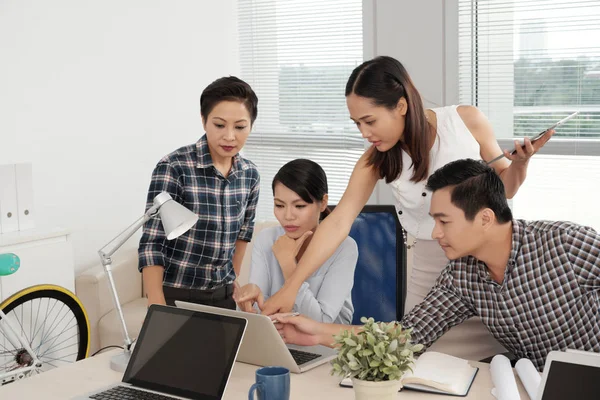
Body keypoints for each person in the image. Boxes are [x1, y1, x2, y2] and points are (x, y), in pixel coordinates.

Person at [249, 55, 553, 358]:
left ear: (401, 106)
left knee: (500, 364)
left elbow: (505, 188)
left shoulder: (465, 121)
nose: (364, 133)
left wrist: (521, 165)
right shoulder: (376, 159)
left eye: (370, 121)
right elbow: (339, 222)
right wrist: (292, 285)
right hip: (432, 272)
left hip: (489, 273)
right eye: (357, 124)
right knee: (414, 360)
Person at [273, 158, 600, 372]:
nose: (436, 233)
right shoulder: (462, 275)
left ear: (485, 218)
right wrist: (316, 333)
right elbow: (405, 338)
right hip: (533, 382)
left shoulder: (565, 243)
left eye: (444, 221)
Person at [138, 76, 260, 309]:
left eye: (240, 127)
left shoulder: (250, 174)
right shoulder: (174, 167)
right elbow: (152, 243)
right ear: (204, 121)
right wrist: (156, 304)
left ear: (251, 125)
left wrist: (232, 279)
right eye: (219, 125)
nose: (229, 136)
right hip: (177, 294)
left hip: (223, 296)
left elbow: (243, 235)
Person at [235, 159, 357, 324]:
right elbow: (261, 313)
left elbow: (321, 323)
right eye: (279, 205)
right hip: (278, 341)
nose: (288, 216)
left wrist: (288, 265)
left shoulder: (344, 247)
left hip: (325, 346)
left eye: (299, 206)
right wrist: (248, 302)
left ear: (323, 203)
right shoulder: (266, 239)